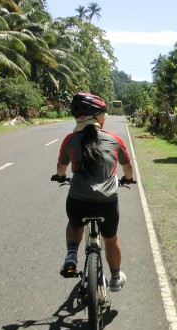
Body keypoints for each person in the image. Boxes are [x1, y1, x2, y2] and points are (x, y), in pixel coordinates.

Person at [52, 92, 134, 292]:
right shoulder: (114, 139)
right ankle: (115, 278)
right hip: (107, 203)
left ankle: (72, 254)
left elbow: (61, 168)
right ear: (98, 117)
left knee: (74, 223)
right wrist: (128, 179)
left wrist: (61, 177)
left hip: (78, 200)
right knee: (111, 238)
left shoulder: (71, 140)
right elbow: (128, 167)